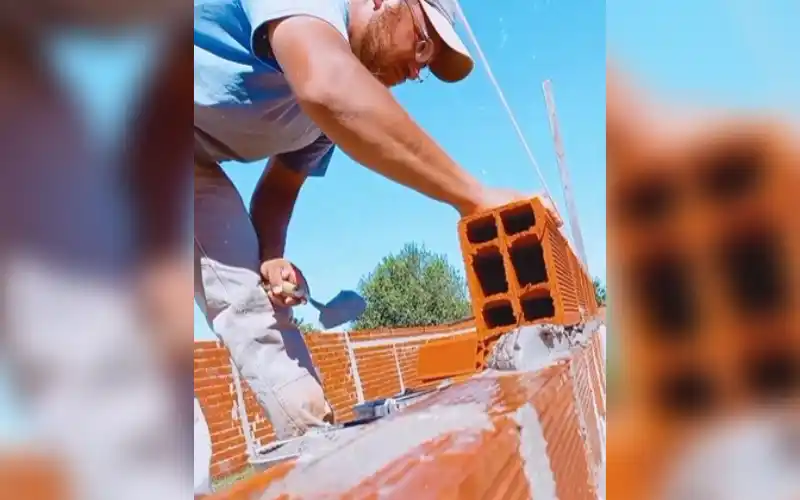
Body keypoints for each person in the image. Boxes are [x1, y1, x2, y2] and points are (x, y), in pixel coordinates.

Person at [193, 0, 550, 441]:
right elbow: (327, 84)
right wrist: (474, 197)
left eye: (429, 65)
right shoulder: (317, 36)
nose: (417, 71)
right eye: (423, 45)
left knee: (257, 310)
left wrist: (271, 257)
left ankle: (317, 454)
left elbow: (279, 190)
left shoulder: (321, 124)